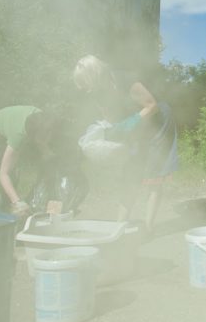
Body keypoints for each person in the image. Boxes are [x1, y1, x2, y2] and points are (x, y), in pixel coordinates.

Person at [73, 55, 177, 236]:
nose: (84, 89)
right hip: (136, 124)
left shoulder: (123, 79)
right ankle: (118, 227)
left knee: (154, 172)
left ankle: (149, 228)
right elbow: (109, 116)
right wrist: (111, 136)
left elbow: (152, 106)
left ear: (94, 75)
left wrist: (130, 123)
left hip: (158, 122)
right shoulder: (96, 92)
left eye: (85, 82)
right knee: (131, 171)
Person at [0, 106, 56, 215]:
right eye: (45, 134)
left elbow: (43, 138)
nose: (49, 135)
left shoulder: (42, 117)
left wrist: (48, 154)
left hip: (0, 140)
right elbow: (3, 174)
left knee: (12, 180)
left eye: (49, 131)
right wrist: (18, 202)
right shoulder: (18, 135)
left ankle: (2, 218)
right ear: (31, 134)